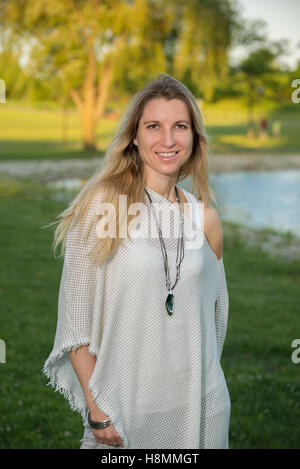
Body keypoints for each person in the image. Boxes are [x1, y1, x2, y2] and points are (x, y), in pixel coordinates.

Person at [42, 74, 230, 449]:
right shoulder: (102, 205)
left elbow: (213, 317)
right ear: (134, 135)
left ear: (194, 138)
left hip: (202, 407)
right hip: (124, 411)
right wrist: (98, 410)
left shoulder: (205, 219)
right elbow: (75, 319)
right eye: (153, 126)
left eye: (180, 126)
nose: (168, 140)